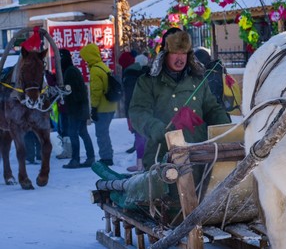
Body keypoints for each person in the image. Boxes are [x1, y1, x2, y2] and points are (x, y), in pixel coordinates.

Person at [129, 28, 230, 170]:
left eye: (183, 53)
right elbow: (138, 112)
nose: (180, 58)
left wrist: (225, 125)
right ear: (165, 54)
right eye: (175, 53)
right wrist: (156, 128)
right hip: (162, 156)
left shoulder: (197, 80)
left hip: (198, 153)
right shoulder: (148, 81)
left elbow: (211, 108)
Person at [80, 43, 117, 166]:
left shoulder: (95, 70)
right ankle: (108, 155)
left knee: (101, 133)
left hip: (102, 107)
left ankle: (106, 157)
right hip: (111, 105)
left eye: (85, 57)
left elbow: (96, 91)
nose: (84, 61)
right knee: (104, 132)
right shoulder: (103, 66)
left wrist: (94, 108)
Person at [59, 49, 95, 169]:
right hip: (80, 108)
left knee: (73, 133)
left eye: (60, 58)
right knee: (83, 133)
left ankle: (75, 159)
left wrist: (66, 97)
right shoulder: (71, 70)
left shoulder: (70, 72)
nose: (58, 61)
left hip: (76, 109)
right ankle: (90, 157)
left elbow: (73, 91)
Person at [120, 52, 149, 172]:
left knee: (139, 136)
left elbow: (129, 97)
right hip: (149, 109)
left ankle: (140, 164)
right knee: (146, 136)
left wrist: (128, 113)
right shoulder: (148, 73)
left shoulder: (130, 75)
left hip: (136, 110)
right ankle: (146, 163)